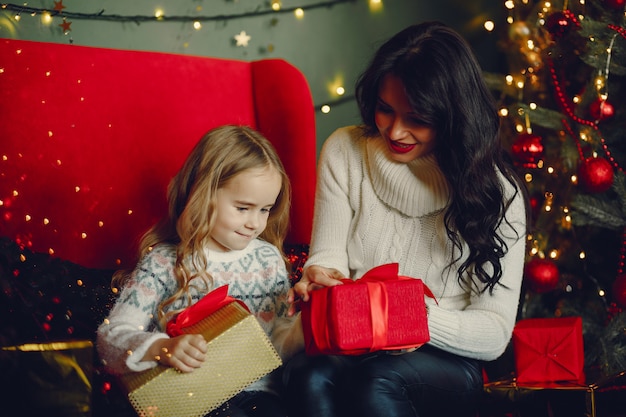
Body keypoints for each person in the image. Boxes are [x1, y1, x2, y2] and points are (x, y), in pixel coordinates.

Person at [283, 21, 529, 417]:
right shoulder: (345, 151)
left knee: (377, 380)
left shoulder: (498, 194)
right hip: (355, 339)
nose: (395, 130)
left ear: (454, 116)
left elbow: (494, 334)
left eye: (417, 118)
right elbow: (328, 257)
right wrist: (320, 277)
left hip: (446, 355)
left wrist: (411, 318)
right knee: (307, 374)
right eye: (385, 109)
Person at [97, 125, 304, 417]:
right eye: (243, 208)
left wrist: (304, 330)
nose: (255, 223)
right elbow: (110, 339)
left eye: (265, 209)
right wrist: (162, 348)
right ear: (202, 194)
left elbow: (276, 347)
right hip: (191, 398)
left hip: (259, 395)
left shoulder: (268, 260)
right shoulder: (164, 262)